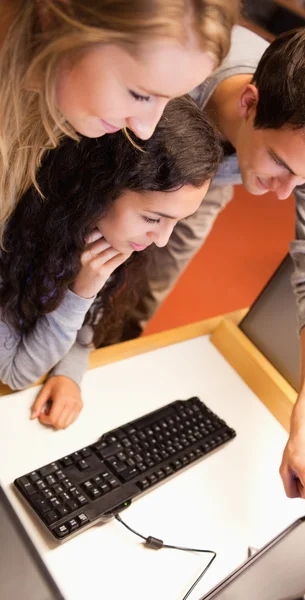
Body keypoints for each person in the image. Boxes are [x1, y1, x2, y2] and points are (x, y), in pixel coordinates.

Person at [121, 27, 305, 532]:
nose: (286, 195)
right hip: (136, 140)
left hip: (214, 173)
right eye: (281, 164)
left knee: (140, 294)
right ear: (250, 101)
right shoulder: (179, 67)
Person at [0, 95, 223, 430]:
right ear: (99, 188)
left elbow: (89, 320)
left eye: (177, 221)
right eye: (153, 219)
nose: (162, 240)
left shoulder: (104, 231)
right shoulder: (13, 231)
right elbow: (16, 373)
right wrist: (80, 294)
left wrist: (70, 370)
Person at [0, 0, 238, 230]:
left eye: (169, 99)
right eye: (140, 95)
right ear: (57, 17)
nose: (145, 128)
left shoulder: (46, 113)